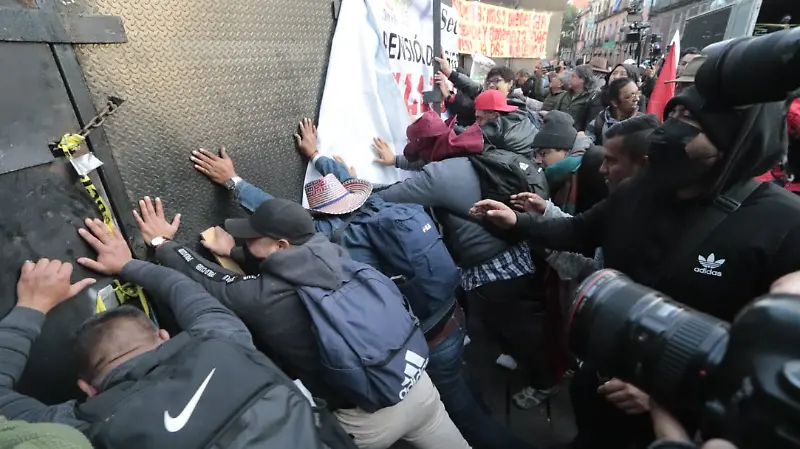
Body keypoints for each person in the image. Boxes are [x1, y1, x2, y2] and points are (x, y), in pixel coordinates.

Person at [471, 86, 800, 448]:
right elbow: (578, 231)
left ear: (734, 142)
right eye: (673, 116)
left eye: (689, 121)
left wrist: (667, 395)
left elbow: (771, 367)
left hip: (670, 424)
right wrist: (518, 223)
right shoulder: (640, 189)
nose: (669, 131)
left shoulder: (784, 224)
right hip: (598, 383)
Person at [190, 121, 531, 449]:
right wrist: (316, 156)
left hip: (428, 341)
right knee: (464, 390)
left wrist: (234, 182)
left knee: (466, 417)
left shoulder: (335, 238)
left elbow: (280, 222)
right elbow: (345, 181)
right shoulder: (379, 203)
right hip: (454, 320)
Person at [134, 196, 471, 449]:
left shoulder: (264, 298)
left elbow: (208, 282)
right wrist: (237, 253)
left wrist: (163, 243)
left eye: (253, 238)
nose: (245, 242)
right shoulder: (340, 258)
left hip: (366, 422)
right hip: (418, 388)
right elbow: (291, 268)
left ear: (281, 245)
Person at [0, 222, 337, 448]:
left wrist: (30, 304)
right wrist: (33, 305)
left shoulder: (80, 429)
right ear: (163, 336)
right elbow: (183, 289)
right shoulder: (226, 341)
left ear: (88, 389)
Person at [586, 78, 644, 145]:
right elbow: (586, 141)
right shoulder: (600, 121)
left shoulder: (642, 123)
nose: (637, 98)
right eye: (630, 96)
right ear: (614, 102)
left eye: (637, 93)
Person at [552, 65, 599, 131]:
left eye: (573, 76)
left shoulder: (590, 99)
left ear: (582, 79)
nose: (570, 78)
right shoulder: (565, 95)